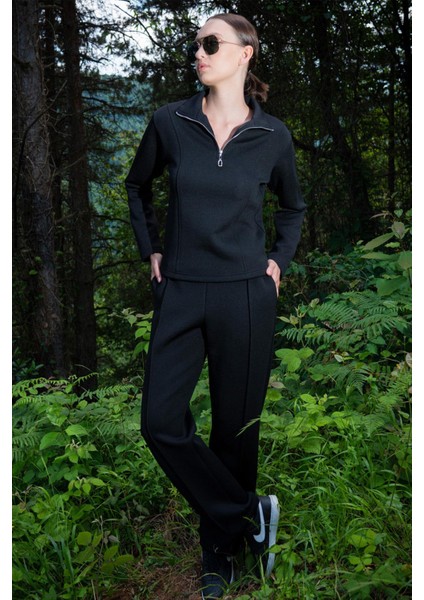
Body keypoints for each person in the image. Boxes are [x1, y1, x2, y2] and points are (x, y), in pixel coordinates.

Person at [125, 12, 306, 599]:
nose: (198, 53)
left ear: (245, 53)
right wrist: (151, 248)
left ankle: (221, 552)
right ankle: (250, 513)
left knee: (235, 429)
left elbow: (293, 208)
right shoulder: (171, 122)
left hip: (245, 295)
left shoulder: (273, 135)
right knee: (159, 422)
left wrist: (278, 260)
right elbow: (136, 185)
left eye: (211, 43)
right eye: (196, 44)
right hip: (180, 289)